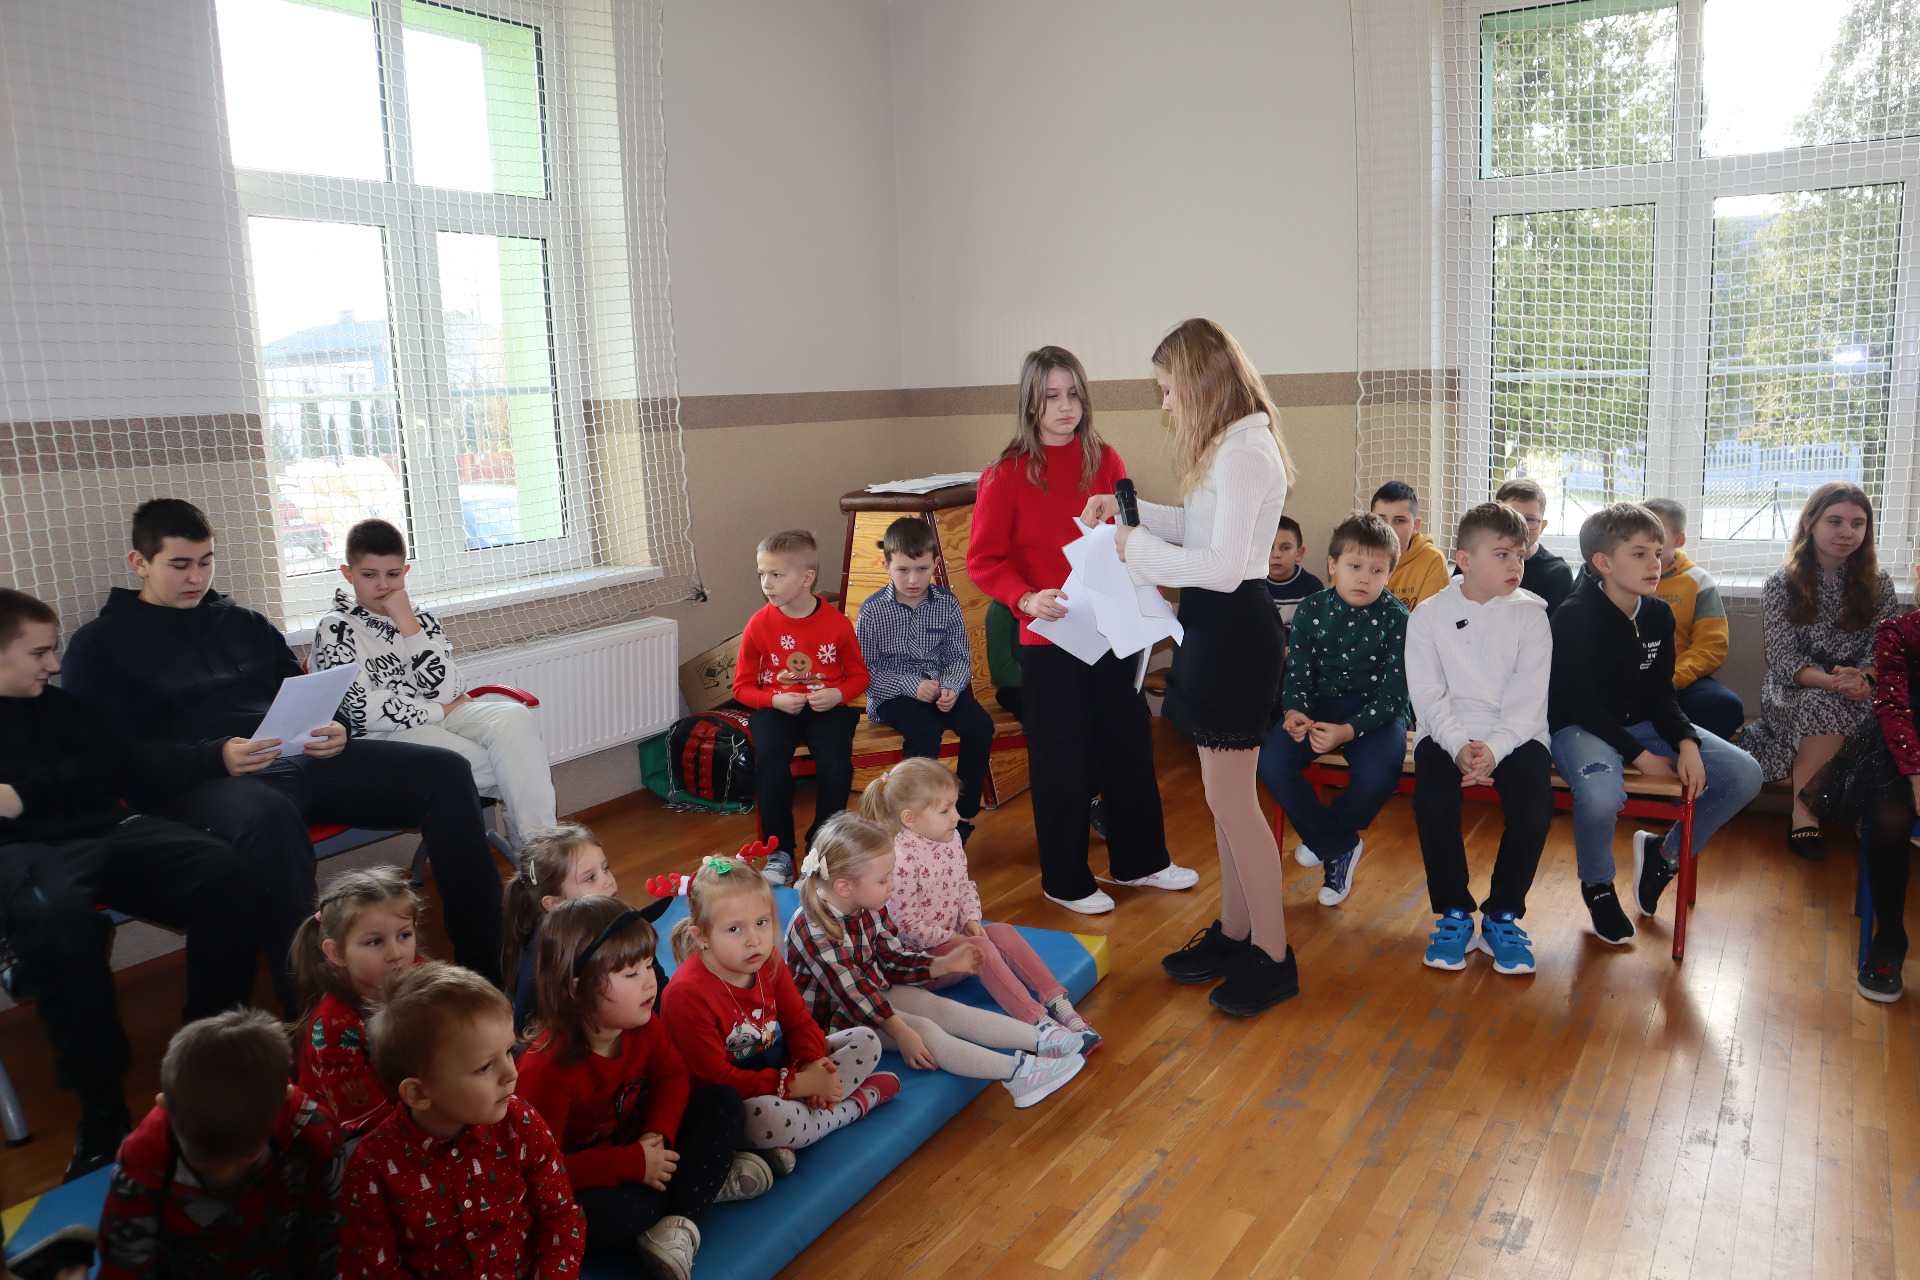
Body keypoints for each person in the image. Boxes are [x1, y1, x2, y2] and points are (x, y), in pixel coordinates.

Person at [61, 499, 506, 1007]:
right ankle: (315, 1017)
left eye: (205, 561)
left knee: (447, 772)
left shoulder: (244, 623)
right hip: (204, 783)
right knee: (269, 818)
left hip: (300, 757)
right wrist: (214, 757)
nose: (196, 578)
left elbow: (308, 691)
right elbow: (110, 759)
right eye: (179, 565)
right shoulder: (99, 645)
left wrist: (335, 727)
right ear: (139, 563)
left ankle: (486, 976)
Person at [0, 588, 262, 1180]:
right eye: (39, 653)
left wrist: (22, 795)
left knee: (227, 871)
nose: (53, 664)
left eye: (53, 650)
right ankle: (102, 1112)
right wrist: (51, 794)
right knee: (59, 921)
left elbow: (107, 769)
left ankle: (208, 1048)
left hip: (108, 828)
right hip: (23, 854)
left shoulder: (63, 708)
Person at [1072, 320, 1294, 1014]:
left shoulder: (1245, 452)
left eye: (1169, 389)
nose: (1165, 403)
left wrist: (1134, 549)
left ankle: (1274, 956)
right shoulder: (1229, 446)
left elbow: (1224, 568)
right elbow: (1204, 532)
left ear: (1201, 383)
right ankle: (1235, 932)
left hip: (1234, 633)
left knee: (1234, 804)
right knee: (1223, 801)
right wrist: (1132, 520)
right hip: (1213, 629)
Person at [966, 345, 1191, 914]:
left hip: (1111, 630)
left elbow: (1126, 534)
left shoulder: (1105, 458)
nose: (1065, 406)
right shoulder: (1005, 474)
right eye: (1051, 396)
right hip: (1050, 636)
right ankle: (1064, 879)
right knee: (1062, 761)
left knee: (1128, 748)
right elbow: (984, 561)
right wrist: (1025, 598)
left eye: (1073, 394)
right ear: (1031, 403)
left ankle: (1141, 861)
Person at [1549, 504, 1763, 945]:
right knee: (1599, 796)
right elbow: (1580, 704)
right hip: (1581, 728)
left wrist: (1686, 741)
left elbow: (1661, 695)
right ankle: (1598, 885)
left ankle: (1664, 855)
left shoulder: (1658, 615)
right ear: (1604, 563)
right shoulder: (1573, 616)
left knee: (1745, 774)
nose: (1656, 562)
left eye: (1658, 551)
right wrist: (1641, 756)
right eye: (1640, 553)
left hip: (1642, 724)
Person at [516, 899, 764, 1280]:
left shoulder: (643, 1023)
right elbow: (541, 1172)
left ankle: (677, 1220)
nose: (650, 981)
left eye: (649, 965)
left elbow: (673, 1076)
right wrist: (633, 1163)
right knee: (626, 1210)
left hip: (642, 1148)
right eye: (631, 973)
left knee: (723, 1103)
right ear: (578, 990)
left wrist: (657, 1134)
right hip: (596, 1177)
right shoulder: (545, 1070)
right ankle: (697, 1189)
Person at [784, 812, 1087, 1107]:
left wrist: (940, 965)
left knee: (944, 1009)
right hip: (836, 1021)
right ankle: (1018, 1075)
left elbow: (891, 958)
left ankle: (1043, 1040)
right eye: (884, 880)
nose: (892, 885)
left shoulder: (865, 903)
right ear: (844, 887)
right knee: (924, 1030)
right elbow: (853, 995)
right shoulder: (812, 927)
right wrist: (902, 1033)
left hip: (872, 990)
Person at [312, 518, 557, 852]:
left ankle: (540, 855)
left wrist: (407, 623)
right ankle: (542, 856)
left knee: (515, 718)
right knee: (516, 766)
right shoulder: (335, 628)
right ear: (347, 573)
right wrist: (440, 710)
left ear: (405, 572)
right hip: (388, 735)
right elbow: (360, 710)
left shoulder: (418, 616)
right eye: (369, 575)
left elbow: (447, 688)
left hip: (440, 713)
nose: (383, 585)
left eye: (393, 574)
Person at [339, 962, 584, 1280]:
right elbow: (374, 1270)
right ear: (418, 1093)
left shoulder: (522, 1123)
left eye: (509, 1051)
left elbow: (561, 1218)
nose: (511, 1073)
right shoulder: (372, 1167)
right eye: (484, 1067)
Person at [659, 853, 899, 1157]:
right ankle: (853, 1106)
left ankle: (806, 1119)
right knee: (766, 1119)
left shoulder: (768, 960)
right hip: (734, 1099)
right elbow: (715, 1082)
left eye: (761, 922)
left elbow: (798, 1022)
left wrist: (810, 1064)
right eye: (734, 929)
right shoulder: (686, 995)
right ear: (702, 936)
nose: (754, 939)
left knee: (866, 1039)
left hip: (779, 1069)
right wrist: (798, 1086)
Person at [1406, 503, 1554, 975]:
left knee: (1534, 808)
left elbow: (1529, 697)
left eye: (1520, 555)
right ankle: (1453, 912)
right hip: (1445, 730)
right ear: (1465, 560)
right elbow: (1428, 694)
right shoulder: (1428, 615)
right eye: (1503, 555)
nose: (1516, 565)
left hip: (1517, 733)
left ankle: (1501, 915)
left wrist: (1494, 747)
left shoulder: (1532, 615)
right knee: (1433, 802)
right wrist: (1457, 745)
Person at [860, 759, 1099, 1043]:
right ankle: (1039, 1023)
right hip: (918, 963)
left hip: (951, 942)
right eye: (945, 810)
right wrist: (957, 938)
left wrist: (971, 919)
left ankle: (1059, 1003)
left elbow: (963, 885)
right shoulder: (900, 859)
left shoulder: (950, 839)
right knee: (980, 948)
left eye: (955, 806)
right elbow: (906, 926)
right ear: (910, 818)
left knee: (1003, 932)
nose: (956, 817)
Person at [96, 1010, 344, 1280]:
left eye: (247, 1156)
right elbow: (124, 1263)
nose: (225, 1175)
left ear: (282, 1100)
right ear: (165, 1105)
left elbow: (328, 1233)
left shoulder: (312, 1133)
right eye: (201, 1161)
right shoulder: (142, 1160)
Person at [1736, 482, 1897, 860]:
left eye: (1857, 523)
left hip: (1862, 684)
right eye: (1835, 521)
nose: (1847, 532)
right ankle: (1804, 814)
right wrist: (1834, 683)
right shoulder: (1782, 583)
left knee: (1873, 709)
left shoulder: (1880, 583)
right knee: (1819, 704)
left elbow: (1884, 651)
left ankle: (1858, 809)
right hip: (1793, 688)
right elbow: (1783, 658)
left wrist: (1865, 679)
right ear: (1810, 522)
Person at [1256, 513, 1411, 905]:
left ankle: (1324, 835)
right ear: (1332, 565)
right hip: (1319, 705)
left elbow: (1395, 695)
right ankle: (1338, 844)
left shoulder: (1398, 618)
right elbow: (1297, 674)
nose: (1364, 578)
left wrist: (1347, 730)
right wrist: (1294, 711)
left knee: (1378, 776)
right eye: (1354, 566)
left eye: (1376, 570)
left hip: (1377, 711)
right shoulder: (1312, 608)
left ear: (1390, 574)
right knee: (1271, 762)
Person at [732, 529, 869, 886]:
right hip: (777, 707)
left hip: (828, 706)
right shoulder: (759, 623)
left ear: (807, 578)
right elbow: (741, 688)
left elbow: (859, 676)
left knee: (836, 762)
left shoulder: (836, 622)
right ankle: (779, 852)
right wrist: (774, 700)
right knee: (770, 761)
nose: (766, 583)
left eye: (776, 574)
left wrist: (838, 695)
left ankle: (820, 849)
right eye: (762, 574)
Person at [855, 517, 995, 842]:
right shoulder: (873, 611)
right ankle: (915, 819)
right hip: (893, 696)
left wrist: (951, 687)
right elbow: (867, 673)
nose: (913, 579)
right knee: (924, 732)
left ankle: (960, 816)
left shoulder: (947, 603)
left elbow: (959, 657)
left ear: (935, 563)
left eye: (922, 569)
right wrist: (910, 685)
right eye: (903, 570)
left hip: (941, 688)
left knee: (980, 726)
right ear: (886, 566)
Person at [291, 868, 422, 1146]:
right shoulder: (334, 1027)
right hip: (346, 1136)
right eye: (375, 942)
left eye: (404, 935)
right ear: (337, 953)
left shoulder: (423, 976)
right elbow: (367, 1123)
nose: (396, 954)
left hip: (415, 1105)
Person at [501, 823, 667, 1035]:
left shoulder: (625, 917)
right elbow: (525, 1028)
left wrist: (668, 1023)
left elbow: (657, 981)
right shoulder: (545, 953)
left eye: (605, 868)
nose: (608, 881)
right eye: (590, 878)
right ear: (555, 903)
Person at [1860, 595, 1920, 1001]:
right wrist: (1916, 776)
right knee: (1890, 816)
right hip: (1903, 741)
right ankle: (1890, 937)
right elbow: (1893, 706)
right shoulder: (1898, 631)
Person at [1643, 498, 1743, 741]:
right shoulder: (1618, 575)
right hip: (1627, 678)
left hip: (1678, 679)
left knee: (1726, 707)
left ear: (1678, 540)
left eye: (1656, 532)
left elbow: (1711, 649)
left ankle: (1677, 751)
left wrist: (1670, 679)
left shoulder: (1698, 581)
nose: (1646, 539)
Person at [1492, 478, 1576, 613]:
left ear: (1542, 526)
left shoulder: (1557, 573)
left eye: (1529, 519)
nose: (1520, 526)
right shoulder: (1476, 559)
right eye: (1512, 516)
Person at [1372, 481, 1450, 612]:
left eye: (1399, 521)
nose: (1389, 528)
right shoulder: (1351, 556)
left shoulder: (1432, 560)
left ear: (1415, 526)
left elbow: (1429, 621)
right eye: (1381, 520)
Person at [1265, 515, 1323, 652]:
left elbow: (1315, 636)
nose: (1276, 554)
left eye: (1285, 548)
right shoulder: (1253, 586)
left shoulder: (1312, 588)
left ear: (1299, 553)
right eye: (1269, 547)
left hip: (1297, 658)